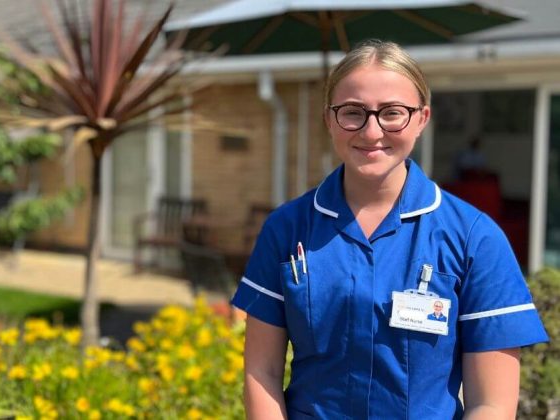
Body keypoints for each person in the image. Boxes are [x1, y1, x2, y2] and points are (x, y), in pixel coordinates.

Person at [231, 39, 548, 419]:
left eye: (392, 113)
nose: (371, 131)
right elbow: (261, 372)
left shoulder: (474, 238)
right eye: (352, 112)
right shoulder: (286, 229)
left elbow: (492, 404)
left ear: (422, 119)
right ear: (329, 118)